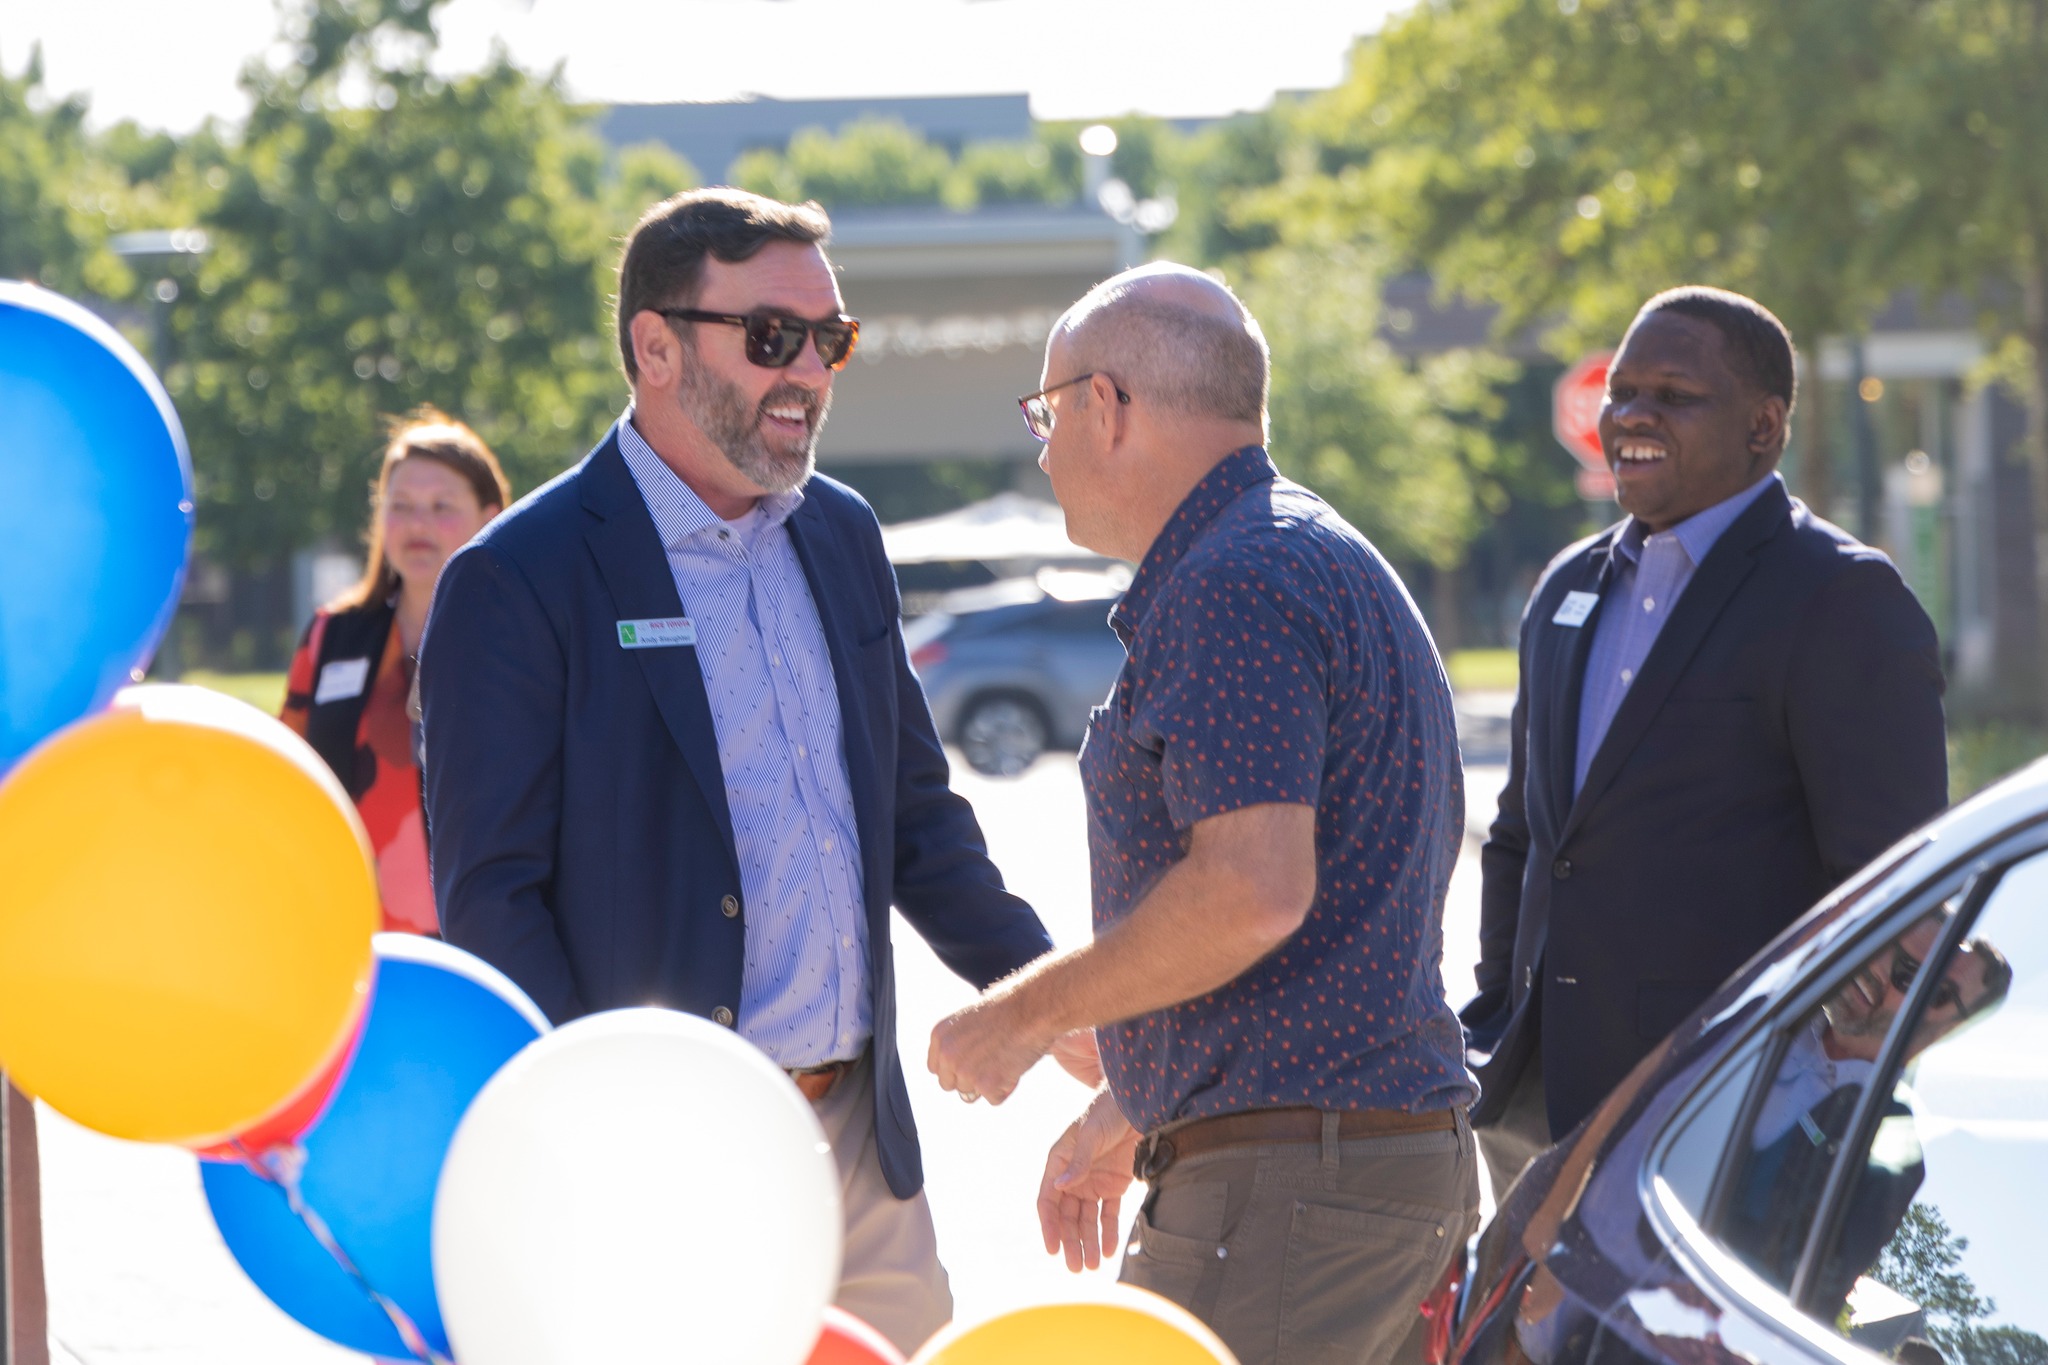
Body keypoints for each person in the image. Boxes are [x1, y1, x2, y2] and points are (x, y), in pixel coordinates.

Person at [417, 187, 1052, 1355]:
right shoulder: (518, 579)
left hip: (863, 1149)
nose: (807, 369)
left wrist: (1050, 994)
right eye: (771, 336)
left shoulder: (842, 535)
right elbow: (492, 901)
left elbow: (913, 813)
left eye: (831, 339)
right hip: (667, 1160)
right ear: (654, 346)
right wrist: (603, 1133)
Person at [925, 263, 1479, 1365]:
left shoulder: (1233, 582)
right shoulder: (1298, 553)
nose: (1039, 448)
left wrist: (1019, 1016)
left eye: (1045, 411)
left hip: (1291, 1192)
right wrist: (1134, 1103)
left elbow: (1250, 890)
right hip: (1341, 1173)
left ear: (1107, 406)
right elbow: (1325, 939)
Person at [1465, 286, 1950, 1202]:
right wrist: (1502, 1009)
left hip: (1730, 1125)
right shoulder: (1566, 587)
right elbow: (1524, 836)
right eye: (1624, 391)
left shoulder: (1841, 600)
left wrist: (1812, 1095)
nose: (1633, 416)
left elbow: (1894, 894)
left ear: (1763, 428)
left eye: (1674, 396)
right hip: (1535, 1111)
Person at [282, 408, 507, 935]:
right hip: (348, 934)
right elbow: (291, 775)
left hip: (479, 936)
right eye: (400, 506)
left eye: (442, 506)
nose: (418, 525)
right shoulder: (330, 636)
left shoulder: (521, 639)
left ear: (491, 516)